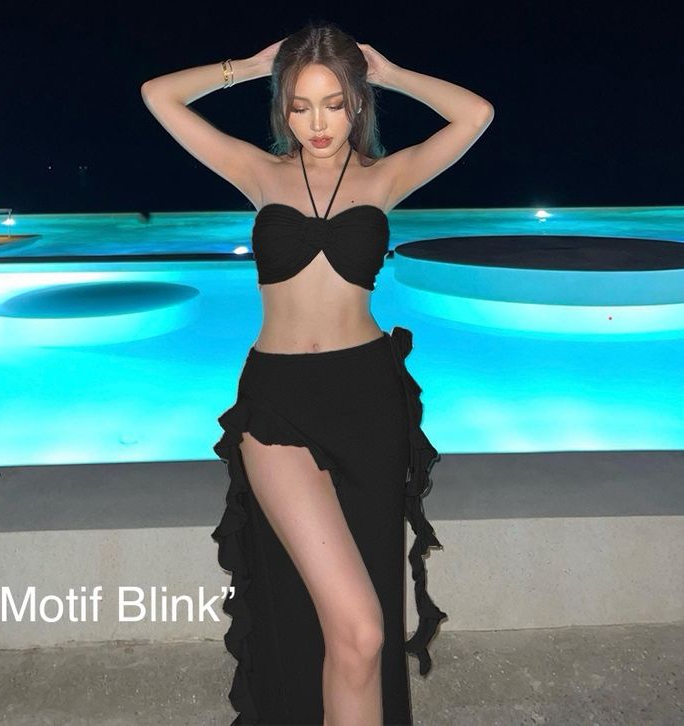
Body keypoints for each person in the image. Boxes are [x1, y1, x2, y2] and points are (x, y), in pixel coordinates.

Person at [142, 21, 493, 726]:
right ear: (282, 108)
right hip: (277, 407)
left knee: (362, 634)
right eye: (300, 106)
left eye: (334, 103)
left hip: (368, 402)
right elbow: (158, 96)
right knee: (357, 627)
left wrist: (390, 73)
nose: (318, 123)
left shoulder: (385, 178)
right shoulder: (260, 172)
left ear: (357, 102)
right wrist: (248, 66)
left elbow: (476, 114)